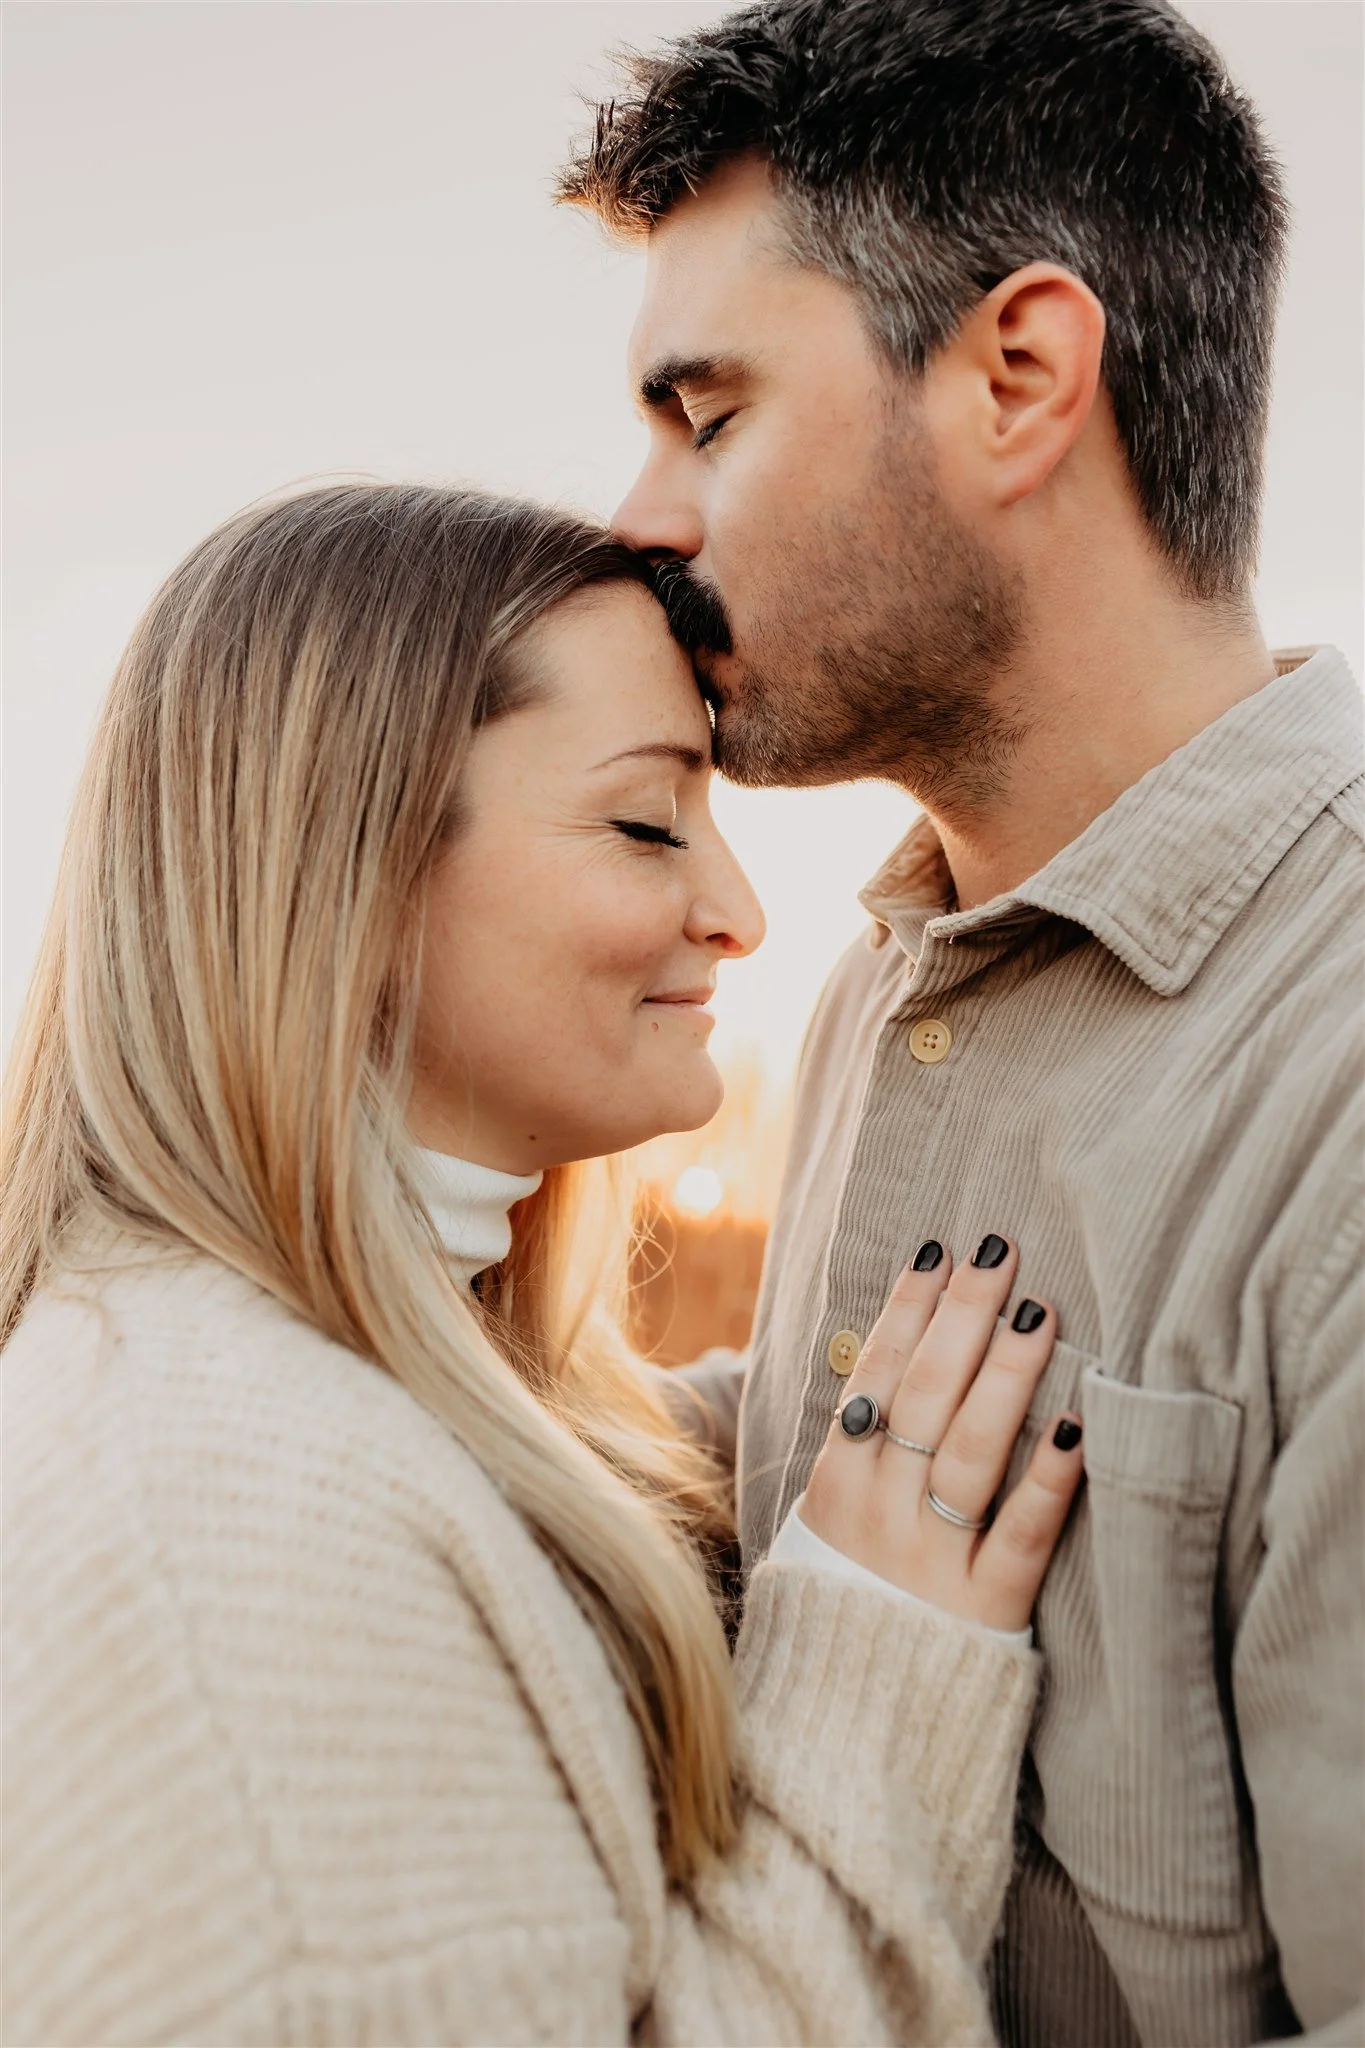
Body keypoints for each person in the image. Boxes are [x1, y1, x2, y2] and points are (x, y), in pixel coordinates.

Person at [1, 482, 1088, 2046]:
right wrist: (871, 1673)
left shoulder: (320, 1393)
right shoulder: (228, 1535)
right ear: (346, 868)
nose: (740, 911)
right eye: (650, 821)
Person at [561, 0, 1365, 2042]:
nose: (641, 518)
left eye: (709, 412)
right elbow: (842, 1452)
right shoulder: (889, 976)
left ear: (1017, 375)